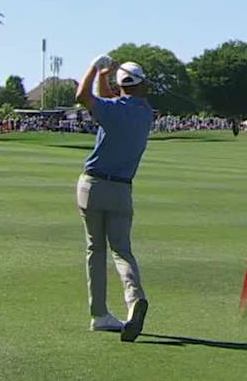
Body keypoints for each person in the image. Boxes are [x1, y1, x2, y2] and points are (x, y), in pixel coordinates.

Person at [74, 54, 153, 342]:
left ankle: (99, 315)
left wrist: (95, 68)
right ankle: (134, 300)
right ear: (141, 85)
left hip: (92, 186)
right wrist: (106, 75)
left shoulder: (112, 109)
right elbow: (111, 99)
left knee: (95, 249)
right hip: (122, 190)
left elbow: (83, 96)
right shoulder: (146, 113)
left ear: (120, 86)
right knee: (122, 250)